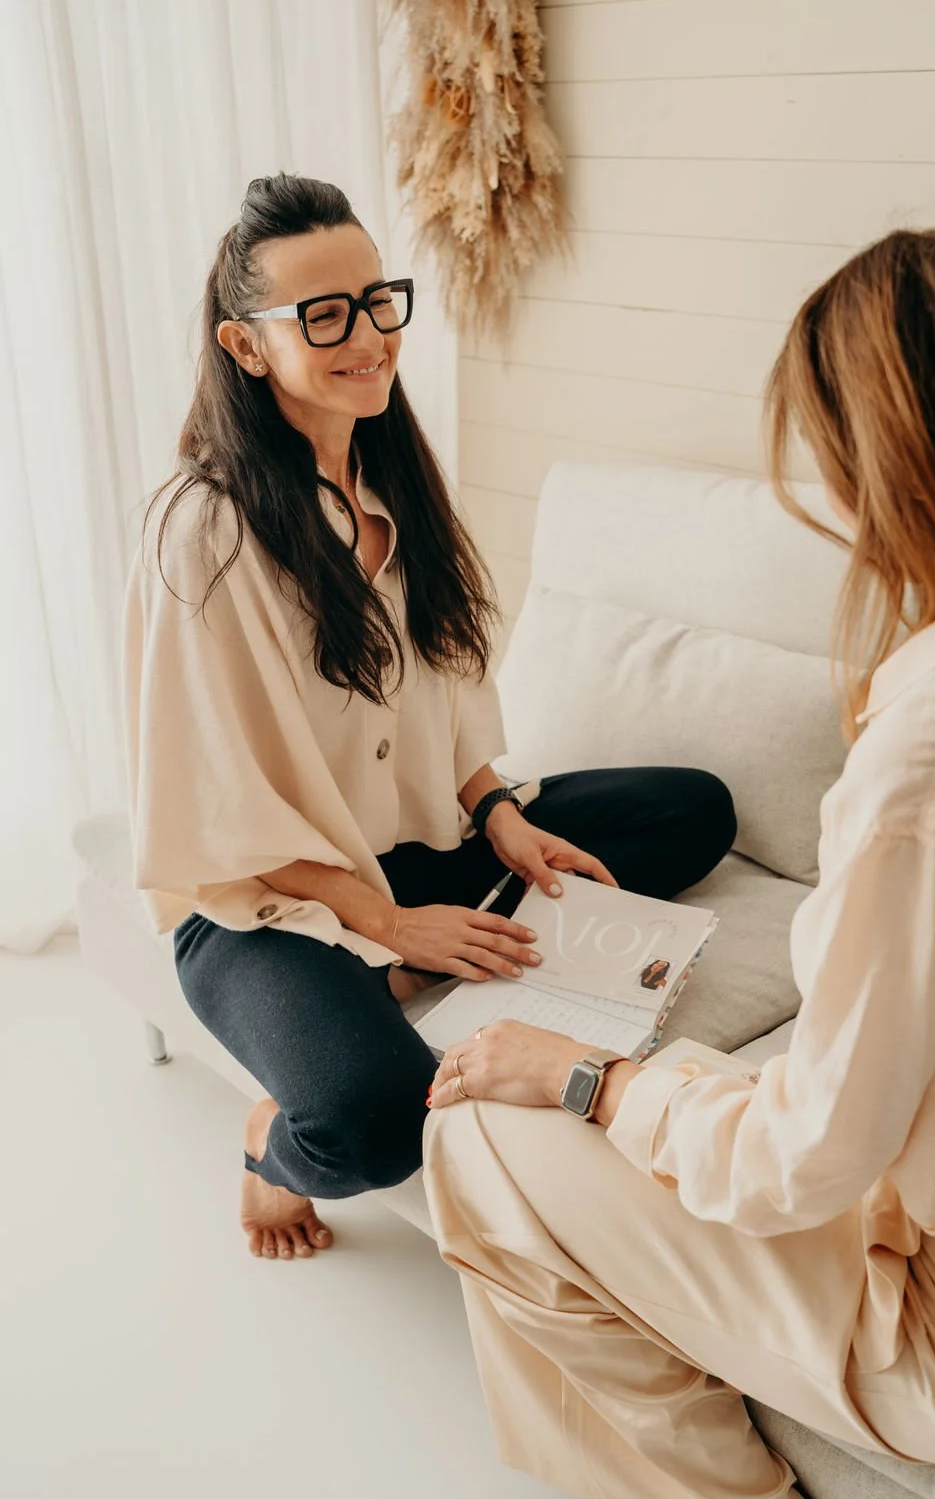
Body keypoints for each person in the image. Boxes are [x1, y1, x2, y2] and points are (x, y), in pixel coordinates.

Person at [424, 228, 935, 1499]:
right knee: (686, 1084)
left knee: (482, 1129)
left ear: (878, 463)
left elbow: (807, 1159)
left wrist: (586, 1077)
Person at [124, 173, 737, 1264]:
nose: (364, 335)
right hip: (263, 903)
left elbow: (442, 696)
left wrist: (497, 813)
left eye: (375, 299)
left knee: (690, 811)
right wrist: (388, 924)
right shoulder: (200, 533)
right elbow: (213, 817)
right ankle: (270, 1143)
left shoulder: (391, 476)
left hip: (415, 853)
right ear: (246, 345)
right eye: (323, 314)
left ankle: (409, 969)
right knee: (373, 1121)